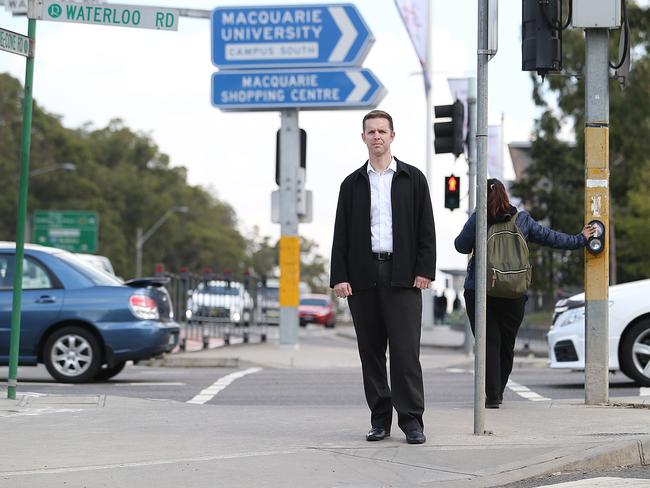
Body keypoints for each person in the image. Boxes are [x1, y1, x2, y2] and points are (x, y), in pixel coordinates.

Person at [330, 110, 435, 444]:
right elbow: (341, 234)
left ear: (392, 136)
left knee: (405, 353)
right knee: (371, 352)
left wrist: (424, 270)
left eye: (382, 131)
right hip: (363, 277)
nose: (376, 136)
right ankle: (380, 420)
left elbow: (425, 229)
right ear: (363, 138)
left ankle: (412, 421)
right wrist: (339, 276)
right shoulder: (351, 184)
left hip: (402, 275)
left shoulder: (413, 179)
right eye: (370, 131)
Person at [454, 178, 596, 408]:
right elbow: (551, 238)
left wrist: (478, 219)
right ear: (505, 196)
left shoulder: (480, 219)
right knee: (506, 345)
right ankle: (497, 392)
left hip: (481, 291)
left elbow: (460, 245)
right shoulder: (523, 220)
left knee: (488, 343)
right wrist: (580, 239)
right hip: (514, 292)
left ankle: (491, 396)